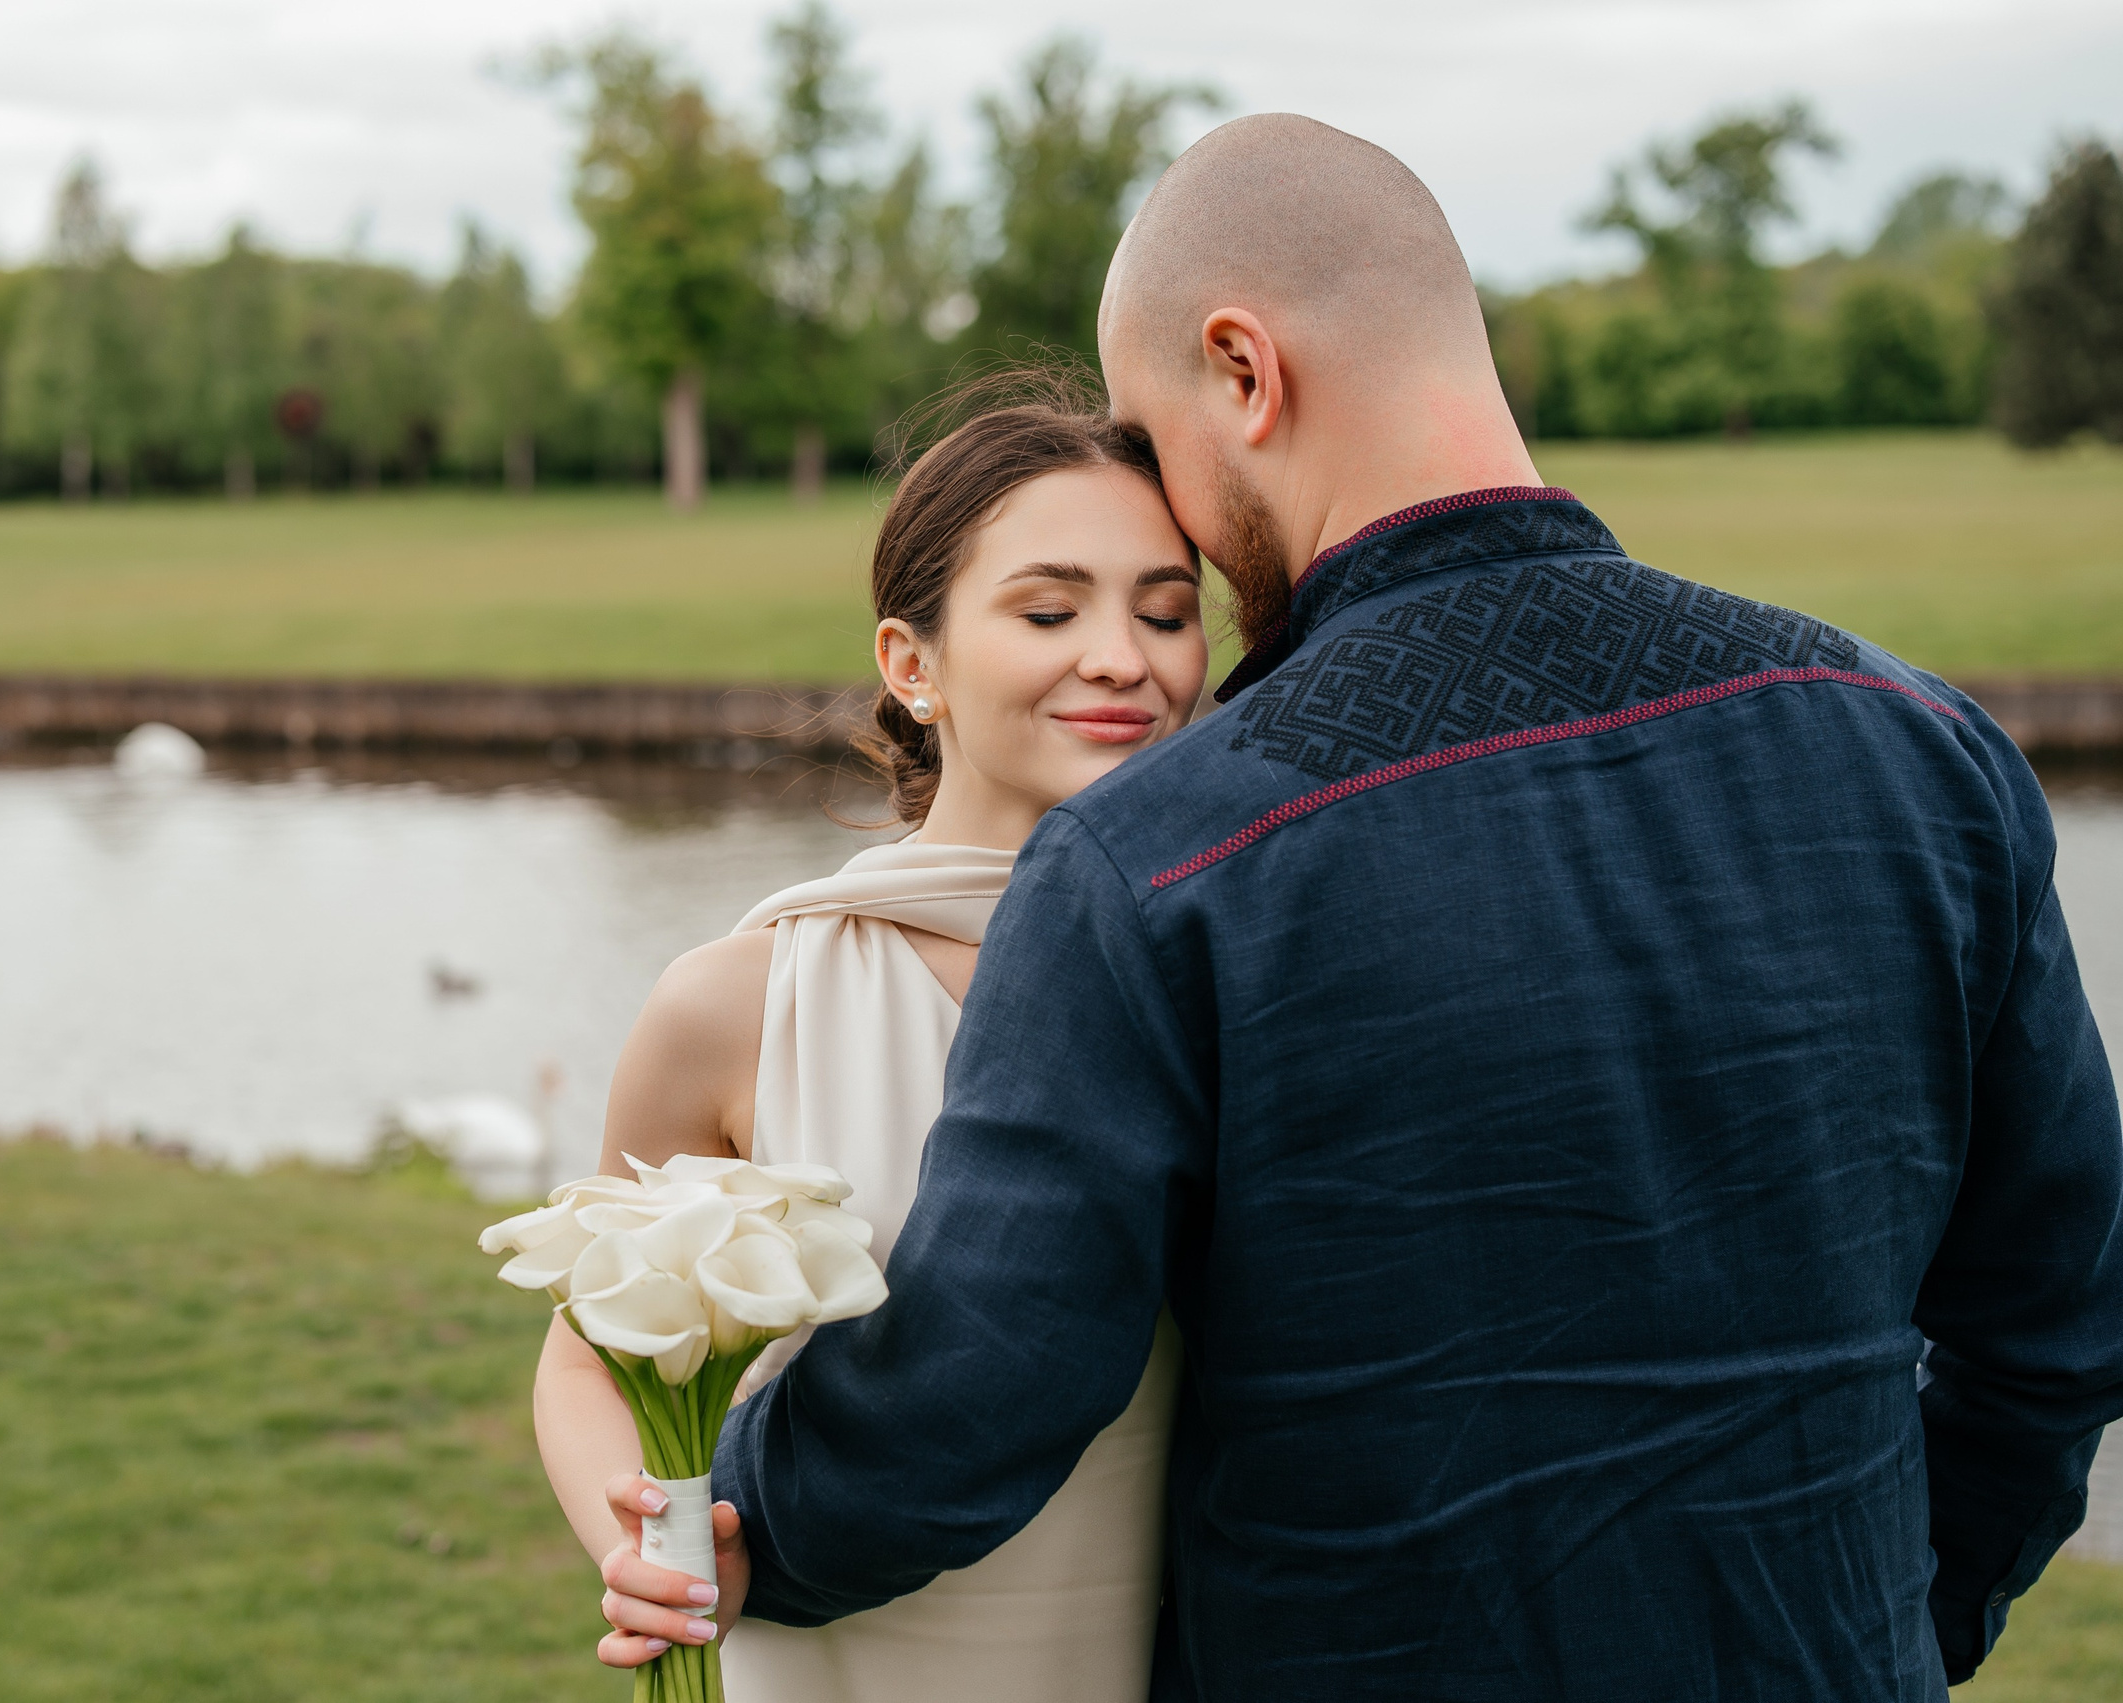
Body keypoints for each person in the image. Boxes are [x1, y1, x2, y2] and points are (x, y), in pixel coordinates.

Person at [626, 114, 2123, 1698]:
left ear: (1244, 372)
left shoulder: (1167, 857)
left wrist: (741, 1519)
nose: (1179, 530)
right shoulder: (1923, 747)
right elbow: (2057, 1321)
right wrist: (1897, 1624)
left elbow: (976, 1393)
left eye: (1156, 442)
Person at [531, 384, 1212, 1702]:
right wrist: (648, 1548)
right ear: (914, 665)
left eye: (1168, 610)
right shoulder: (737, 1005)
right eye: (1050, 610)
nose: (1126, 657)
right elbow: (585, 1352)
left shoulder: (1235, 977)